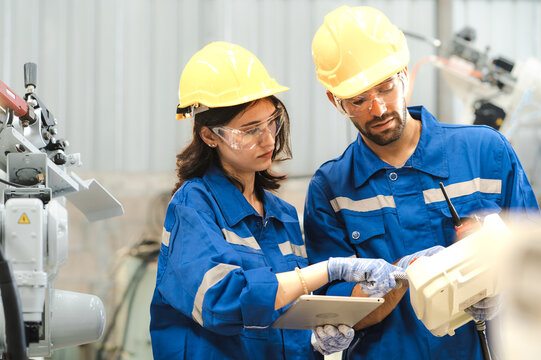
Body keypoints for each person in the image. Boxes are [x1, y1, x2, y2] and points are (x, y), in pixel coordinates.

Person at [304, 5, 540, 360]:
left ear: (404, 73)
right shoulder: (331, 189)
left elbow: (532, 259)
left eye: (386, 87)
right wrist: (399, 280)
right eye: (358, 100)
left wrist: (502, 284)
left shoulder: (485, 152)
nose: (379, 109)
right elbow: (334, 308)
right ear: (335, 102)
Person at [149, 41, 406, 360]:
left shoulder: (281, 215)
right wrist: (327, 270)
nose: (269, 139)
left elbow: (286, 314)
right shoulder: (194, 206)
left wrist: (313, 342)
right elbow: (221, 302)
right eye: (250, 130)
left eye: (273, 121)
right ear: (210, 136)